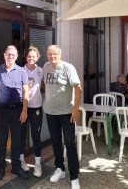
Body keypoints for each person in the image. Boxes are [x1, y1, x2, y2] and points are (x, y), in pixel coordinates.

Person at [43, 45, 82, 189]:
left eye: (55, 54)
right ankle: (60, 169)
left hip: (66, 113)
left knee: (70, 143)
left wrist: (76, 109)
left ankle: (74, 176)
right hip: (50, 112)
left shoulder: (68, 67)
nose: (52, 57)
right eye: (49, 54)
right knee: (55, 142)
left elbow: (78, 88)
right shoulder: (46, 66)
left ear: (60, 55)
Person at [0, 45, 29, 182]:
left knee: (17, 140)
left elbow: (26, 92)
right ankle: (1, 168)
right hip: (2, 109)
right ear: (4, 55)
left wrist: (24, 110)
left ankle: (16, 167)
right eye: (8, 54)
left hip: (18, 110)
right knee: (1, 140)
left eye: (13, 54)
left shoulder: (21, 71)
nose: (10, 56)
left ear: (17, 56)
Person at [20, 46, 43, 177]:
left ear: (37, 57)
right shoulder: (20, 70)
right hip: (23, 107)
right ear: (26, 57)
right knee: (22, 134)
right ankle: (22, 160)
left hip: (37, 107)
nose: (31, 58)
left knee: (36, 136)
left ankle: (38, 164)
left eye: (34, 56)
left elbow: (48, 84)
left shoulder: (41, 71)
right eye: (29, 56)